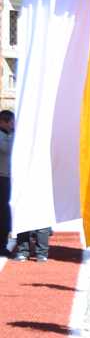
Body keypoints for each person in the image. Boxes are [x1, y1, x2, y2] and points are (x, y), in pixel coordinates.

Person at [0, 109, 13, 255]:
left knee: (5, 213)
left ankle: (2, 244)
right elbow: (7, 149)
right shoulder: (4, 136)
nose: (12, 125)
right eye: (10, 122)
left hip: (7, 178)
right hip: (2, 178)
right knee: (3, 213)